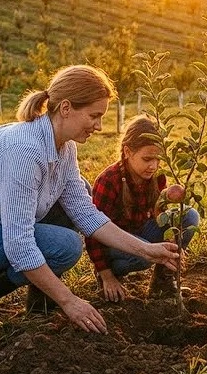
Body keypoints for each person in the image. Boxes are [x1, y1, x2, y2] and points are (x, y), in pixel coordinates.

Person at [0, 65, 179, 335]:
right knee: (64, 246)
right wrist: (69, 301)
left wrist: (147, 250)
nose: (99, 126)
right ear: (66, 108)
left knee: (77, 198)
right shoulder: (25, 151)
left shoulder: (64, 148)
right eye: (94, 115)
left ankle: (38, 297)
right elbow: (19, 244)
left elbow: (86, 214)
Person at [85, 115, 200, 301]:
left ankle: (163, 281)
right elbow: (93, 232)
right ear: (128, 151)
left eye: (158, 159)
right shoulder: (109, 181)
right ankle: (111, 276)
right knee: (143, 256)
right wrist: (106, 276)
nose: (153, 166)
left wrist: (173, 243)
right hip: (114, 243)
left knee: (189, 216)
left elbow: (158, 215)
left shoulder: (157, 176)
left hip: (141, 232)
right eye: (147, 159)